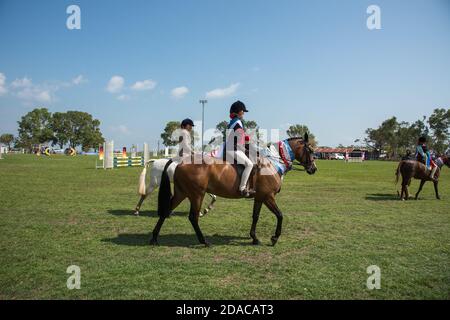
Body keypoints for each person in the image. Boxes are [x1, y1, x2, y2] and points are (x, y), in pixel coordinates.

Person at [225, 100, 255, 197]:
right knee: (249, 164)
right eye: (243, 111)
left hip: (231, 148)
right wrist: (245, 149)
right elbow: (238, 142)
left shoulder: (233, 122)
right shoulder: (238, 122)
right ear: (238, 111)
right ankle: (242, 188)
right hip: (233, 149)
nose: (243, 113)